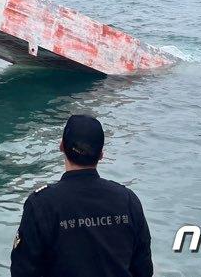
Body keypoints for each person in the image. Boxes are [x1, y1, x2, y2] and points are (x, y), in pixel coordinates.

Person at [10, 115, 153, 277]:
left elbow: (22, 271)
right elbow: (144, 270)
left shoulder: (40, 204)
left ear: (61, 146)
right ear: (101, 154)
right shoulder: (128, 200)